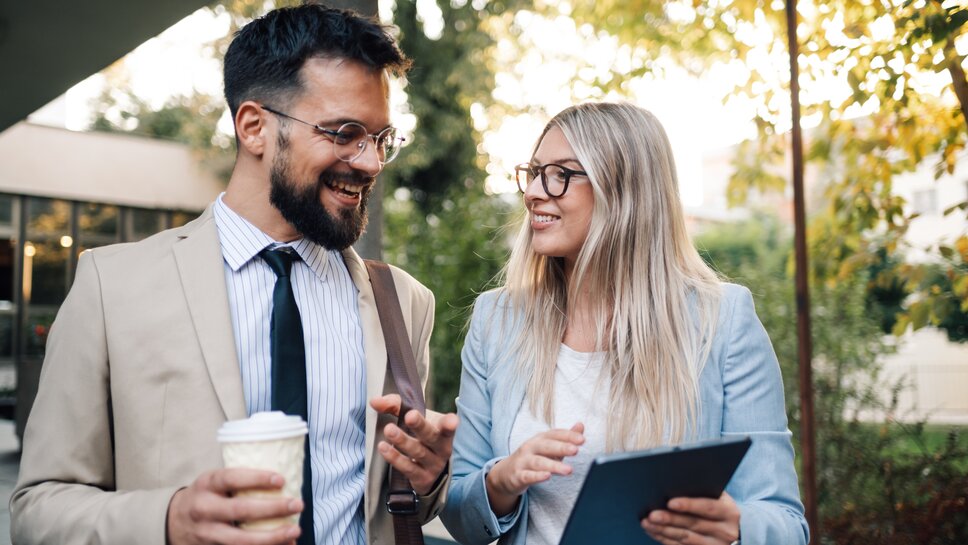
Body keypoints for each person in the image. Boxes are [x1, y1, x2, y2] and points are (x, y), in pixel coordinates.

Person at [11, 5, 457, 545]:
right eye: (345, 133)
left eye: (381, 138)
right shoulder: (111, 286)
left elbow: (407, 503)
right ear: (254, 127)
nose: (370, 163)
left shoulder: (404, 302)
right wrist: (169, 520)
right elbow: (37, 509)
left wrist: (429, 476)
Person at [440, 102, 809, 545]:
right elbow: (459, 514)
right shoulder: (497, 320)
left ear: (625, 190)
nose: (534, 192)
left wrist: (737, 527)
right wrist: (500, 481)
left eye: (560, 174)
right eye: (534, 173)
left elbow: (786, 523)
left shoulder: (722, 322)